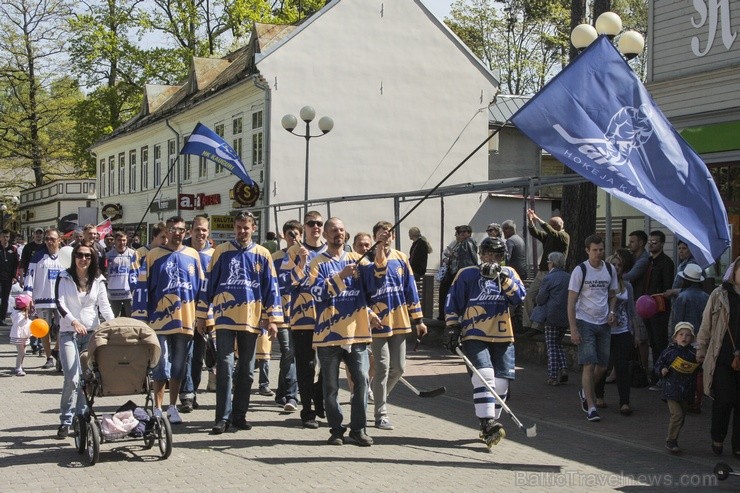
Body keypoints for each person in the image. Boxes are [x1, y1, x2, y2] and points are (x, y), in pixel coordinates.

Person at [197, 211, 281, 434]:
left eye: (246, 227)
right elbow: (208, 285)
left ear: (254, 228)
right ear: (233, 228)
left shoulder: (263, 254)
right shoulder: (221, 252)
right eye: (239, 227)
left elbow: (271, 288)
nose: (242, 231)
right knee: (224, 366)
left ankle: (239, 415)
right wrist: (202, 315)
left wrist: (272, 318)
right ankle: (222, 417)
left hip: (251, 321)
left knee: (247, 371)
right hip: (224, 318)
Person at [444, 236, 526, 447]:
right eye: (488, 254)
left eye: (497, 255)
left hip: (503, 334)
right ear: (480, 254)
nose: (491, 259)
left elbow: (519, 298)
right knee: (484, 375)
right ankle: (487, 422)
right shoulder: (467, 274)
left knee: (502, 382)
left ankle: (491, 424)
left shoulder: (509, 273)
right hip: (474, 333)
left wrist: (503, 278)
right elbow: (453, 301)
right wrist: (452, 326)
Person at [309, 217, 382, 446]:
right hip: (328, 335)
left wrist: (380, 249)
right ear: (326, 235)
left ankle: (358, 429)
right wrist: (341, 276)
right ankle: (336, 429)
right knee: (330, 386)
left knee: (361, 380)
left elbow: (376, 284)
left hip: (357, 332)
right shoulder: (317, 262)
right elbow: (317, 293)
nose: (337, 233)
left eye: (341, 230)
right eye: (333, 230)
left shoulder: (358, 260)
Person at [132, 216, 204, 424]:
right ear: (167, 231)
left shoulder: (193, 255)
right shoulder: (153, 256)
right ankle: (157, 407)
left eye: (181, 229)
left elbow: (200, 289)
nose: (177, 233)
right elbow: (142, 288)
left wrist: (202, 316)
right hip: (159, 321)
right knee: (161, 365)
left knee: (179, 366)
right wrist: (141, 318)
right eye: (172, 229)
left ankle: (173, 407)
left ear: (186, 231)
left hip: (185, 320)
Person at [368, 221, 426, 431]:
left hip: (399, 319)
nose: (387, 235)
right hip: (377, 321)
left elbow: (410, 288)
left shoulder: (402, 258)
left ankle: (378, 394)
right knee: (382, 367)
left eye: (390, 232)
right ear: (375, 236)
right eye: (382, 233)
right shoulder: (368, 259)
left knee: (399, 368)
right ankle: (380, 413)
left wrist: (418, 319)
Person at [54, 241, 115, 439]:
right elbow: (60, 304)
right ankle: (65, 419)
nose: (83, 259)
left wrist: (114, 325)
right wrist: (73, 322)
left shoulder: (98, 279)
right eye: (79, 255)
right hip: (68, 333)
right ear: (74, 257)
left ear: (93, 258)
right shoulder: (63, 277)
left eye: (87, 256)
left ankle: (81, 417)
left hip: (91, 333)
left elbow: (104, 306)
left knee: (86, 379)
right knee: (72, 378)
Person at [280, 211, 327, 428]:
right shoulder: (292, 252)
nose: (315, 227)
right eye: (311, 224)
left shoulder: (331, 251)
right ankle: (307, 411)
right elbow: (287, 284)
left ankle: (319, 393)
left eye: (319, 223)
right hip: (302, 317)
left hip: (329, 318)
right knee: (306, 365)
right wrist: (301, 261)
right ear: (305, 227)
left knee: (329, 365)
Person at [568, 234, 617, 423]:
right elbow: (571, 302)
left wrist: (612, 311)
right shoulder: (580, 270)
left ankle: (584, 390)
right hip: (585, 320)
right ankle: (591, 406)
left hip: (604, 321)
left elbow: (612, 294)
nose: (598, 253)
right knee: (589, 363)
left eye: (601, 250)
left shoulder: (609, 269)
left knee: (603, 366)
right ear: (587, 251)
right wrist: (573, 328)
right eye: (595, 250)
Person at [697, 257, 740, 458]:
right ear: (734, 272)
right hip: (722, 356)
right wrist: (701, 349)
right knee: (723, 400)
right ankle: (718, 437)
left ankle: (738, 445)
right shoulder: (719, 294)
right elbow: (706, 324)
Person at [180, 216, 215, 412]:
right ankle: (187, 394)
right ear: (190, 231)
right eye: (197, 230)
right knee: (186, 354)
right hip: (185, 312)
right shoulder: (184, 252)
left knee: (198, 356)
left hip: (206, 314)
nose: (200, 233)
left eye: (204, 230)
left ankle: (192, 392)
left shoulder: (214, 254)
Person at [594, 253, 636, 416]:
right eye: (614, 265)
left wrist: (635, 331)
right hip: (605, 330)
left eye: (619, 265)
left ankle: (624, 402)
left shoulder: (627, 286)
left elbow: (631, 310)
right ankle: (599, 396)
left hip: (623, 330)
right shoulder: (601, 285)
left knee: (622, 366)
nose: (617, 268)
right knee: (602, 365)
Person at [271, 220, 302, 412]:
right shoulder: (274, 258)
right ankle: (292, 395)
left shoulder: (306, 255)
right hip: (281, 313)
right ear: (284, 235)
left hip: (301, 313)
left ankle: (281, 392)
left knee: (292, 355)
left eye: (297, 234)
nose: (293, 237)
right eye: (290, 234)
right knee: (288, 351)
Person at [24, 228, 64, 370]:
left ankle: (57, 350)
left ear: (59, 240)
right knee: (44, 330)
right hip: (42, 298)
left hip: (61, 299)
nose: (49, 241)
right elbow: (29, 276)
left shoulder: (66, 256)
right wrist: (27, 296)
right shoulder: (38, 256)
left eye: (52, 239)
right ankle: (48, 358)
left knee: (62, 328)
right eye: (47, 239)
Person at [524, 210, 569, 333]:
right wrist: (531, 221)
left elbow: (552, 233)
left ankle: (536, 327)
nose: (550, 227)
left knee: (543, 299)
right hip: (542, 272)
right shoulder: (549, 237)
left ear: (560, 225)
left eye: (552, 224)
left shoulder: (563, 237)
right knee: (530, 296)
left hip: (553, 274)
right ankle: (527, 324)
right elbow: (535, 232)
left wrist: (538, 219)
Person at [643, 231, 675, 389]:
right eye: (649, 241)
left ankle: (660, 377)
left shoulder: (666, 263)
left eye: (654, 242)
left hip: (659, 309)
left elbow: (667, 288)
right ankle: (654, 375)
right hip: (647, 308)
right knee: (652, 342)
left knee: (659, 343)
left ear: (662, 244)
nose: (651, 244)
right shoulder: (648, 261)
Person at [536, 252, 570, 386]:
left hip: (551, 316)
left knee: (551, 346)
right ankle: (564, 368)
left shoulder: (549, 278)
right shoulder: (569, 277)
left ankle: (552, 376)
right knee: (558, 344)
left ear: (553, 263)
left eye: (549, 262)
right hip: (566, 316)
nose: (548, 264)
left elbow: (540, 299)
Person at [622, 230, 651, 377]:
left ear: (641, 243)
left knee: (641, 337)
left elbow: (630, 276)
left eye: (633, 241)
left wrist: (615, 275)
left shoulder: (643, 259)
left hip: (639, 301)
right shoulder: (633, 256)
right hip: (631, 299)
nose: (630, 244)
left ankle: (644, 370)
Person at [437, 225, 478, 321]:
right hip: (459, 272)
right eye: (460, 232)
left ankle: (453, 316)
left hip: (462, 273)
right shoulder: (462, 243)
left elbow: (467, 258)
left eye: (464, 232)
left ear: (469, 233)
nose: (462, 234)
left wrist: (452, 255)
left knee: (457, 295)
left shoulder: (467, 242)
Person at [502, 220, 526, 336]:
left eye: (504, 230)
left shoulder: (510, 241)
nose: (503, 233)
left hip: (512, 272)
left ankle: (512, 324)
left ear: (509, 229)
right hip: (522, 271)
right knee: (519, 301)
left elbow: (507, 257)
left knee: (512, 300)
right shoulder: (520, 239)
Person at [105, 231, 136, 317]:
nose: (121, 243)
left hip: (129, 292)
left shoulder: (133, 254)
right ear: (114, 240)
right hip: (113, 293)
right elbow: (103, 271)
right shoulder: (108, 255)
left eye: (124, 240)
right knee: (113, 318)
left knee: (132, 317)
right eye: (119, 240)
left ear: (127, 240)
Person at [9, 294, 32, 376]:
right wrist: (25, 318)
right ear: (25, 306)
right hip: (18, 336)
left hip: (24, 335)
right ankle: (18, 368)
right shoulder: (18, 314)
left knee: (23, 353)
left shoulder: (21, 313)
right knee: (21, 353)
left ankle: (19, 366)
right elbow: (19, 323)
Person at [0, 229, 20, 325]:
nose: (5, 239)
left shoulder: (13, 249)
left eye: (7, 237)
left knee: (5, 299)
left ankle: (2, 318)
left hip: (7, 278)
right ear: (0, 237)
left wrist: (15, 277)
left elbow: (16, 264)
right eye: (3, 236)